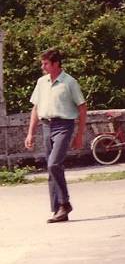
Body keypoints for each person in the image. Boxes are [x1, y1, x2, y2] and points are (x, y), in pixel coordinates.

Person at [24, 48, 87, 223]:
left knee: (54, 164)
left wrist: (79, 134)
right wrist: (30, 133)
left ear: (56, 63)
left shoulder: (69, 82)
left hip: (63, 126)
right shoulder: (41, 82)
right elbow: (36, 108)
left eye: (45, 63)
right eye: (42, 63)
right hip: (46, 125)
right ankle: (58, 209)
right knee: (52, 169)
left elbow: (82, 108)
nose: (43, 67)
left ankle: (64, 203)